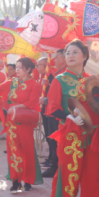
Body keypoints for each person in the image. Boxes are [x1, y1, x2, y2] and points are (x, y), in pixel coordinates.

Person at [46, 39, 99, 197]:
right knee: (67, 177)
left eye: (74, 52)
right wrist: (68, 116)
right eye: (67, 52)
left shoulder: (95, 80)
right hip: (71, 136)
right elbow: (52, 107)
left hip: (93, 136)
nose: (70, 55)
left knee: (94, 180)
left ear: (84, 56)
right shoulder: (59, 79)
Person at [0, 58, 43, 192]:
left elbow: (31, 103)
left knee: (27, 150)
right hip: (12, 120)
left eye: (20, 67)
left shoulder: (35, 85)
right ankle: (16, 180)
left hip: (25, 121)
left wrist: (15, 107)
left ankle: (28, 180)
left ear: (28, 69)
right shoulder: (13, 81)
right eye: (17, 67)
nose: (17, 70)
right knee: (13, 150)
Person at [41, 49, 66, 177]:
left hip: (58, 115)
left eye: (56, 58)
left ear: (63, 60)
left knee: (57, 143)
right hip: (51, 112)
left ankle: (56, 167)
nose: (54, 60)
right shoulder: (57, 75)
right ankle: (54, 166)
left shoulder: (64, 75)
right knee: (52, 141)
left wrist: (45, 99)